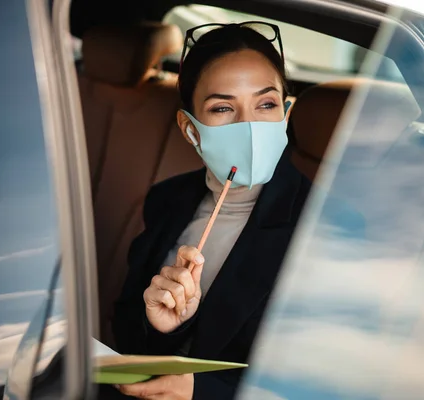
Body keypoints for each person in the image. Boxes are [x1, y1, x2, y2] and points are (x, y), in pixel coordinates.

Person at [110, 22, 311, 399]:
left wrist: (200, 391)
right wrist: (165, 329)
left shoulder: (322, 221)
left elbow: (323, 378)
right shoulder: (167, 200)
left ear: (286, 113)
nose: (248, 125)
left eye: (266, 104)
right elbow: (126, 326)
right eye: (222, 107)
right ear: (190, 130)